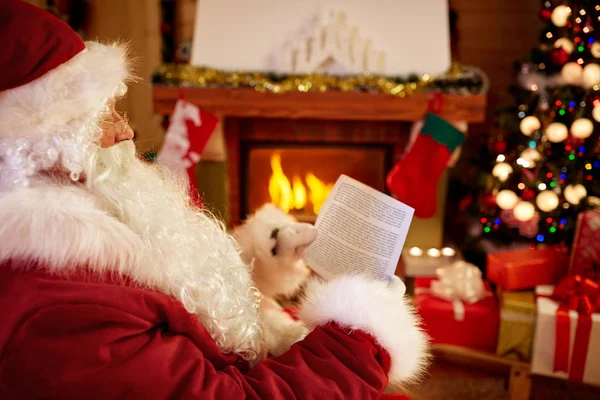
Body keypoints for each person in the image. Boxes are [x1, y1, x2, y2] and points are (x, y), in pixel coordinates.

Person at [0, 1, 429, 399]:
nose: (126, 132)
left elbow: (165, 303)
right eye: (101, 117)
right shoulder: (60, 313)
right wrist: (360, 336)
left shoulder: (72, 243)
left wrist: (265, 260)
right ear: (39, 145)